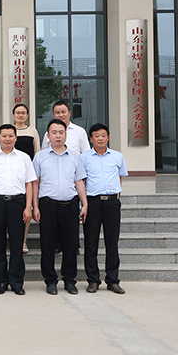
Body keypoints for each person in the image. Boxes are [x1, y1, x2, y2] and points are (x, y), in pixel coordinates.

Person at [33, 119, 88, 295]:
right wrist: (35, 206)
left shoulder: (74, 156)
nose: (57, 135)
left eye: (61, 132)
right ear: (48, 136)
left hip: (70, 205)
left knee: (71, 245)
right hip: (47, 205)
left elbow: (79, 181)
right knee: (47, 245)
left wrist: (84, 203)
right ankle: (50, 280)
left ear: (66, 134)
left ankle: (70, 280)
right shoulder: (40, 156)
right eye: (54, 132)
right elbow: (35, 183)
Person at [0, 124, 36, 296]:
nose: (7, 139)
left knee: (16, 245)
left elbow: (29, 183)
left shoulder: (24, 158)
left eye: (10, 136)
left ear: (16, 138)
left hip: (18, 203)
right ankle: (0, 282)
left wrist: (28, 207)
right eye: (4, 136)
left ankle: (16, 282)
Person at [81, 123, 128, 295]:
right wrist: (84, 204)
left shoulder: (117, 156)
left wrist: (114, 197)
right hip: (92, 203)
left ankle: (113, 281)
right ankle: (93, 280)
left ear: (108, 137)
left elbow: (120, 178)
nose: (100, 138)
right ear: (91, 139)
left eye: (103, 135)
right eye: (96, 136)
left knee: (112, 242)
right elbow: (81, 181)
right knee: (91, 243)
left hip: (112, 204)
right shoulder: (84, 158)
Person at [11, 103, 40, 254]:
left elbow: (37, 152)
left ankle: (23, 239)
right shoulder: (9, 131)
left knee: (26, 207)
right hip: (11, 173)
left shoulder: (32, 131)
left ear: (27, 115)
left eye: (23, 113)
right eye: (18, 112)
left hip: (27, 174)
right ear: (13, 114)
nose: (20, 115)